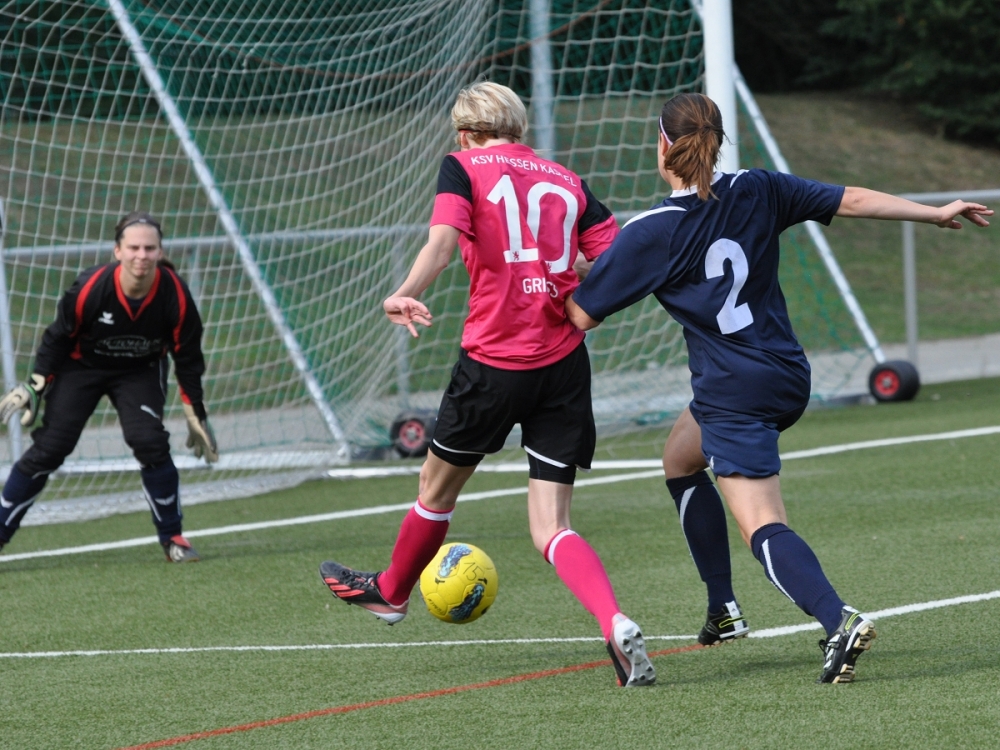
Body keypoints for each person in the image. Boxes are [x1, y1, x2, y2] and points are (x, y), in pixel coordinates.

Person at [565, 93, 992, 683]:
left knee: (761, 522)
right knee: (680, 459)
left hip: (732, 391)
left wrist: (548, 274)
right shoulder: (757, 188)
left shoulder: (652, 232)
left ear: (663, 146)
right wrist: (935, 211)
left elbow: (581, 317)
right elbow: (855, 199)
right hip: (787, 375)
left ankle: (836, 619)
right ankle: (724, 608)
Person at [319, 81, 655, 688]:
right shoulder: (565, 179)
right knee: (552, 526)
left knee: (436, 489)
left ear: (465, 133)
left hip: (495, 365)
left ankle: (392, 593)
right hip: (563, 365)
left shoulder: (463, 166)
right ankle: (613, 620)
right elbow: (618, 258)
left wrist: (405, 293)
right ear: (520, 129)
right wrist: (561, 275)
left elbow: (442, 245)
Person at [0, 211, 218, 562]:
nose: (141, 256)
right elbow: (57, 338)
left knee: (149, 441)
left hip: (140, 370)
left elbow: (188, 356)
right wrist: (35, 385)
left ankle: (174, 538)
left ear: (160, 252)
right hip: (80, 367)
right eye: (133, 247)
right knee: (50, 449)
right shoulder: (90, 288)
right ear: (117, 251)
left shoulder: (175, 295)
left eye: (149, 248)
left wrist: (195, 411)